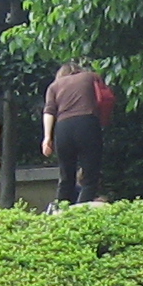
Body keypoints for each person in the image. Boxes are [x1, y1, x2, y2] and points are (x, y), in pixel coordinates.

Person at [42, 60, 107, 208]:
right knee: (90, 176)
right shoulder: (90, 76)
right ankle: (80, 212)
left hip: (63, 127)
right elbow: (104, 96)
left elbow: (48, 111)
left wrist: (47, 138)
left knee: (66, 176)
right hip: (87, 123)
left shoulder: (54, 86)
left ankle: (59, 211)